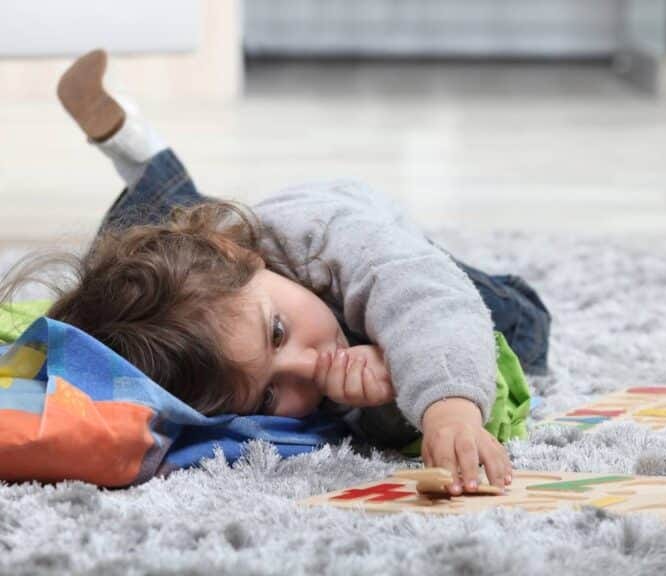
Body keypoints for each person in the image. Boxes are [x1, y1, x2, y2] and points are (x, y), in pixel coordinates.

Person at [0, 50, 551, 495]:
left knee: (520, 324)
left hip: (365, 241)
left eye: (279, 334)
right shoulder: (227, 285)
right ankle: (141, 151)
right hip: (231, 250)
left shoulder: (328, 239)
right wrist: (381, 402)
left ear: (245, 258)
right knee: (135, 271)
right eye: (267, 398)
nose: (311, 369)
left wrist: (447, 409)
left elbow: (426, 298)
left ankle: (147, 161)